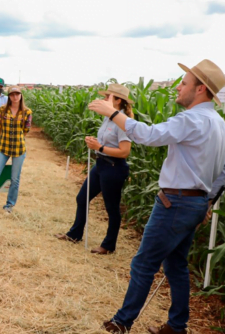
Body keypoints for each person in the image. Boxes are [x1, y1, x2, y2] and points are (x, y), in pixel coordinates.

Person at [96, 60, 225, 334]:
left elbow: (148, 135)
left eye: (185, 83)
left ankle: (122, 322)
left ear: (201, 89)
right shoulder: (218, 123)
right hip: (195, 203)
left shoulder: (192, 119)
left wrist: (112, 113)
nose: (179, 87)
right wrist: (208, 202)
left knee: (143, 263)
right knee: (176, 264)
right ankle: (176, 326)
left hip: (175, 203)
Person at [55, 84, 133, 254]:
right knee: (82, 198)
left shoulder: (123, 122)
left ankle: (108, 246)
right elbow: (103, 143)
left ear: (118, 101)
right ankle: (75, 235)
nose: (104, 100)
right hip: (101, 164)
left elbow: (125, 151)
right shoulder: (108, 117)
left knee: (111, 208)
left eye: (108, 97)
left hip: (114, 167)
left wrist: (100, 147)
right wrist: (94, 144)